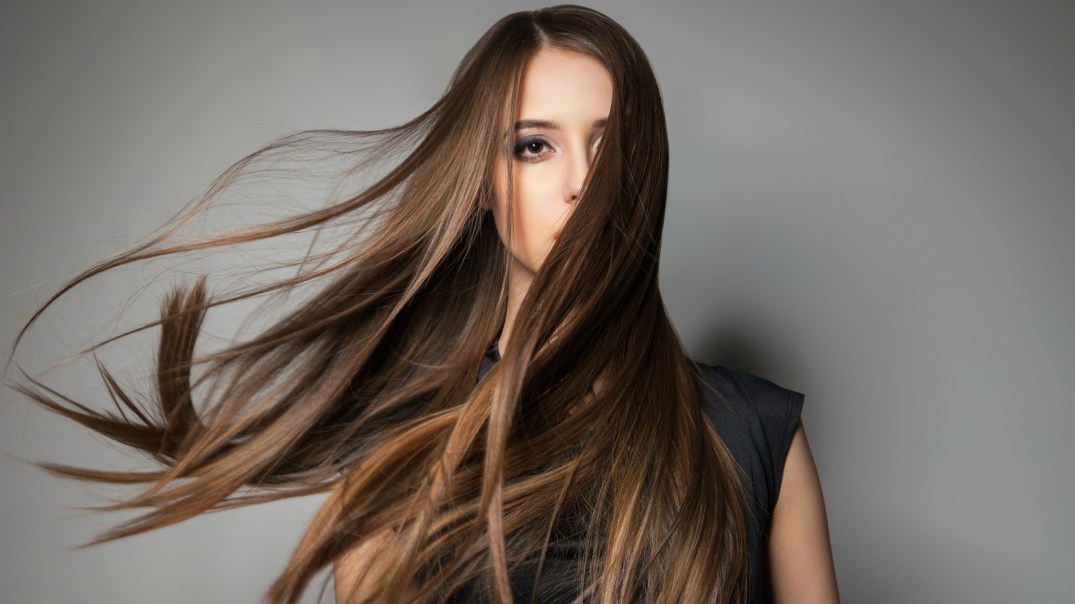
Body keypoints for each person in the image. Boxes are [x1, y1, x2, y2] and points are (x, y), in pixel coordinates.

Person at [7, 5, 838, 603]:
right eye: (533, 146)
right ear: (483, 180)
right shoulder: (400, 437)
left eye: (610, 144)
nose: (582, 182)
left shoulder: (755, 429)